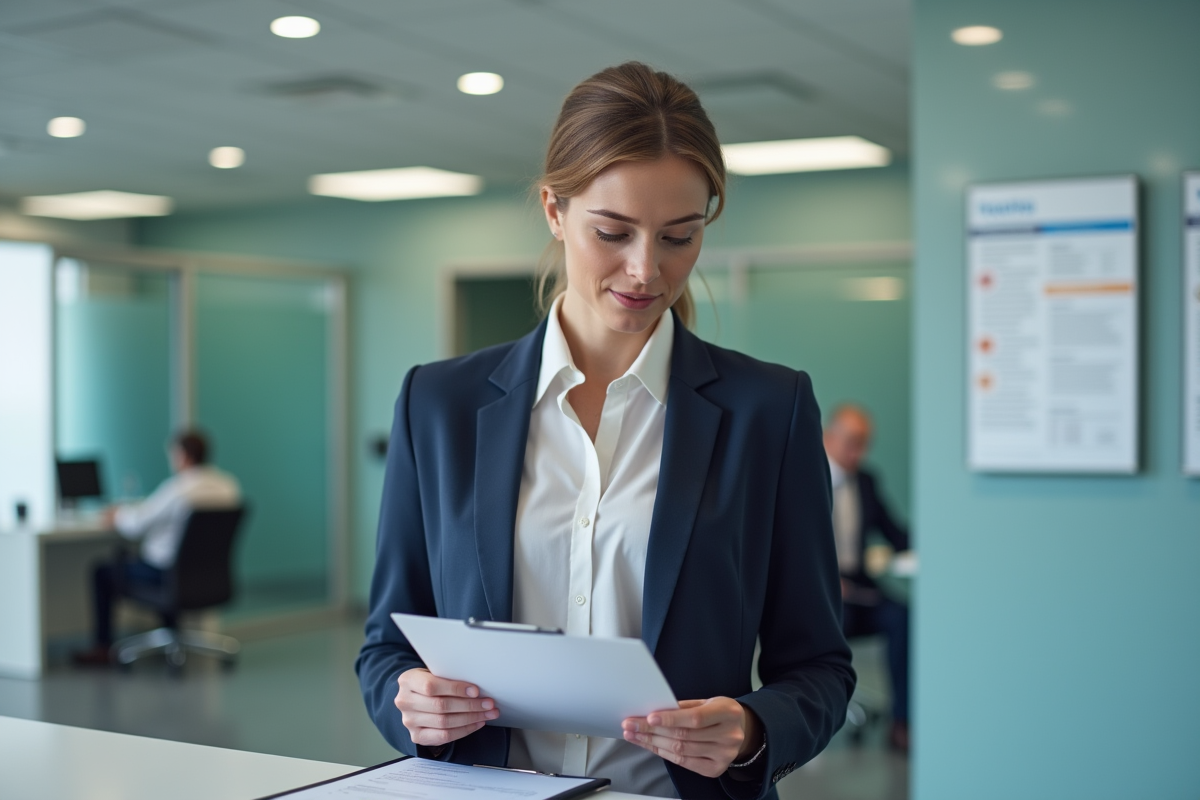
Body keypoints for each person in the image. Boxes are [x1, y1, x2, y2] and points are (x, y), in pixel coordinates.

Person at [356, 62, 854, 800]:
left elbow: (819, 668)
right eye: (612, 232)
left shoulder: (769, 411)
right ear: (554, 211)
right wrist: (411, 703)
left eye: (679, 236)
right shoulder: (437, 403)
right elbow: (385, 651)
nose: (645, 270)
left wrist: (752, 730)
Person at [73, 429, 241, 666]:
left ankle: (102, 648)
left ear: (182, 455)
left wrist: (117, 515)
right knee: (165, 561)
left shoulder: (179, 488)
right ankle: (170, 637)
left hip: (166, 574)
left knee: (102, 572)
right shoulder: (229, 486)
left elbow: (136, 524)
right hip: (209, 577)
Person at [822, 404, 911, 753]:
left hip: (860, 587)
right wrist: (826, 581)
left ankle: (902, 722)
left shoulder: (867, 481)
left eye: (864, 443)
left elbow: (894, 531)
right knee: (829, 625)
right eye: (852, 442)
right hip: (822, 591)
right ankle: (820, 717)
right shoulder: (805, 479)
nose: (857, 452)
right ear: (829, 438)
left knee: (903, 616)